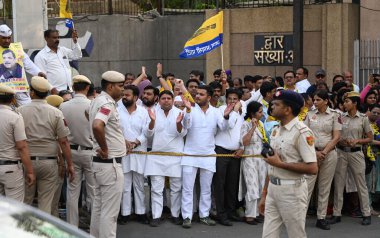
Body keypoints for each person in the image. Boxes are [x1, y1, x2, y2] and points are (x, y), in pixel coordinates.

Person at [259, 90, 318, 238]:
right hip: (273, 188)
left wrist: (281, 164)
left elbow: (312, 168)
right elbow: (271, 164)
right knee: (268, 235)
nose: (272, 107)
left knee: (296, 235)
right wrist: (265, 193)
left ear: (288, 109)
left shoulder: (302, 132)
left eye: (276, 104)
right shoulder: (276, 130)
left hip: (292, 190)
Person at [181, 85, 238, 228]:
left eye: (201, 94)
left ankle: (204, 215)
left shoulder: (216, 112)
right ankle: (187, 217)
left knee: (206, 188)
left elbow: (223, 127)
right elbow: (186, 126)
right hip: (190, 154)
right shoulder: (190, 109)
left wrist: (225, 116)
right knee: (188, 188)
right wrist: (188, 110)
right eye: (197, 94)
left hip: (208, 155)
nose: (197, 96)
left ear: (209, 97)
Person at [19, 76, 74, 214]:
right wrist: (70, 164)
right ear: (47, 94)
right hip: (49, 163)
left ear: (32, 92)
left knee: (25, 202)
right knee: (46, 204)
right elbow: (63, 141)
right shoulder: (56, 112)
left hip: (26, 162)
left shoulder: (20, 111)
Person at [89, 71, 126, 238]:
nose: (123, 89)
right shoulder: (107, 104)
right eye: (120, 86)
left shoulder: (98, 100)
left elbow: (92, 119)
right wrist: (105, 148)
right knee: (110, 213)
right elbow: (97, 125)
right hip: (109, 164)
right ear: (110, 86)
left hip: (99, 164)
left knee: (98, 207)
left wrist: (116, 140)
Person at [145, 90, 189, 227]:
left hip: (175, 155)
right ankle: (156, 215)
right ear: (159, 99)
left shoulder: (179, 112)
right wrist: (152, 121)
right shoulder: (152, 112)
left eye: (169, 98)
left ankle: (175, 214)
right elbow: (148, 134)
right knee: (156, 188)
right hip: (157, 155)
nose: (166, 100)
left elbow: (183, 134)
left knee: (176, 188)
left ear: (172, 99)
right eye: (163, 98)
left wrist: (178, 124)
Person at [330, 91, 372, 226]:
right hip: (341, 152)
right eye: (344, 101)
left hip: (356, 153)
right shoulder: (340, 117)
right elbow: (336, 135)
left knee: (361, 184)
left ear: (355, 103)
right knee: (339, 184)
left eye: (347, 101)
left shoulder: (363, 118)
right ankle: (337, 213)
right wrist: (341, 141)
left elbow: (370, 138)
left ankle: (366, 213)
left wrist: (357, 140)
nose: (344, 104)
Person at [60, 75, 95, 227]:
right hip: (90, 152)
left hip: (71, 152)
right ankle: (95, 227)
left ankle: (71, 226)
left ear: (73, 88)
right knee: (93, 191)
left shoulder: (63, 106)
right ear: (87, 88)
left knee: (72, 192)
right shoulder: (93, 105)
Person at [304, 90, 341, 230]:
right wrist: (314, 152)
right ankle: (300, 217)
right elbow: (305, 134)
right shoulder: (309, 114)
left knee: (324, 187)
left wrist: (323, 152)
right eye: (314, 99)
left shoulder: (335, 115)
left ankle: (321, 218)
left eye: (318, 99)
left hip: (329, 154)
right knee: (307, 186)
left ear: (326, 101)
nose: (315, 102)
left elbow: (336, 137)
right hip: (312, 153)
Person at [117, 85, 150, 225]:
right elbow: (114, 130)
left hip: (139, 152)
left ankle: (140, 212)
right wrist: (124, 142)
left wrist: (136, 142)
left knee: (139, 184)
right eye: (123, 95)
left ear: (136, 98)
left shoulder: (144, 112)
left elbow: (148, 131)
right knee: (124, 185)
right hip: (123, 152)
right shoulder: (117, 111)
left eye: (127, 95)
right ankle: (125, 213)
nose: (124, 97)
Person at [213, 88, 244, 226]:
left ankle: (231, 211)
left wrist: (242, 148)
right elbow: (227, 126)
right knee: (220, 183)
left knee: (232, 183)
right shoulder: (221, 111)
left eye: (235, 99)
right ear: (226, 100)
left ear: (239, 100)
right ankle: (221, 213)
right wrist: (234, 112)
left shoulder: (241, 113)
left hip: (235, 152)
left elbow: (241, 132)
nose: (232, 101)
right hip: (221, 150)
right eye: (230, 98)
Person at [0, 84, 35, 201]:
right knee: (14, 210)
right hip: (11, 168)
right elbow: (22, 147)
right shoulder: (15, 117)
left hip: (9, 166)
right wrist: (30, 171)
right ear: (12, 99)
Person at [0, 24, 46, 105]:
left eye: (8, 38)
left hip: (20, 90)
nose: (7, 40)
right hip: (3, 92)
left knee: (26, 111)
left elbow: (27, 62)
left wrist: (38, 72)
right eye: (3, 38)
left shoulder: (17, 48)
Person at [240, 101, 267, 225]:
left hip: (261, 160)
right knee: (252, 187)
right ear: (252, 113)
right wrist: (253, 128)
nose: (262, 114)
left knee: (261, 186)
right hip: (249, 159)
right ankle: (249, 215)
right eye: (260, 112)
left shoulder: (261, 123)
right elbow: (244, 142)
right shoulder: (245, 124)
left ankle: (257, 213)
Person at [34, 29, 82, 94]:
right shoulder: (40, 56)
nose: (57, 40)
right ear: (46, 38)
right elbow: (41, 78)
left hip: (69, 91)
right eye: (54, 38)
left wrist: (75, 42)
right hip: (54, 93)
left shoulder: (63, 50)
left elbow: (77, 55)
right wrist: (52, 89)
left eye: (58, 37)